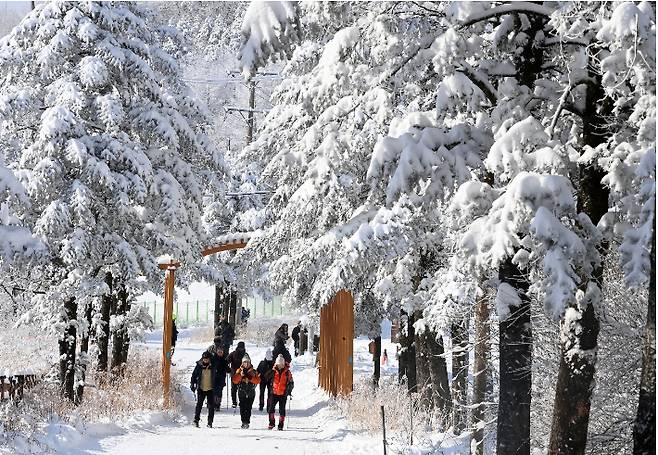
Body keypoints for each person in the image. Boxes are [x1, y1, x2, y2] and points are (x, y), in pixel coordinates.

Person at [232, 354, 260, 429]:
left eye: (248, 362)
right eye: (245, 362)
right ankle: (243, 421)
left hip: (251, 391)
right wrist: (240, 376)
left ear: (250, 363)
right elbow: (234, 380)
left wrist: (250, 377)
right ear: (242, 363)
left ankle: (247, 421)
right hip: (242, 390)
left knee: (249, 407)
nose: (246, 364)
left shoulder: (253, 371)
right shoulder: (239, 370)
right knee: (242, 406)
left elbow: (258, 381)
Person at [267, 354, 294, 430]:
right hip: (274, 393)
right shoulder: (273, 371)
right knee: (271, 408)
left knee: (282, 409)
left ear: (283, 364)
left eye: (281, 364)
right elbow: (266, 377)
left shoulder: (287, 373)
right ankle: (271, 422)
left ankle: (281, 424)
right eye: (278, 364)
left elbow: (291, 382)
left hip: (283, 394)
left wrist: (289, 390)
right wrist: (270, 371)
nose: (280, 366)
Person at [190, 351, 216, 427]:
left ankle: (210, 422)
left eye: (207, 359)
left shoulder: (213, 365)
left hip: (210, 388)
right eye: (204, 359)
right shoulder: (199, 365)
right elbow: (194, 376)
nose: (205, 360)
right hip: (201, 388)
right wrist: (193, 384)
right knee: (199, 405)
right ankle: (196, 420)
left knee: (211, 406)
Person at [206, 337, 231, 411]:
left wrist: (229, 370)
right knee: (212, 390)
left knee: (219, 391)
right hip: (213, 376)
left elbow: (227, 366)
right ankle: (212, 403)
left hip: (221, 377)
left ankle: (217, 404)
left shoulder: (223, 355)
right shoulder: (212, 354)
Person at [227, 341, 247, 408]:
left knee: (240, 389)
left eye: (242, 347)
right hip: (235, 374)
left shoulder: (244, 355)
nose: (241, 349)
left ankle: (238, 402)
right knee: (236, 389)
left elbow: (249, 364)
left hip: (241, 374)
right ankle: (235, 402)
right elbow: (227, 361)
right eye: (240, 347)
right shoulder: (234, 354)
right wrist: (228, 369)